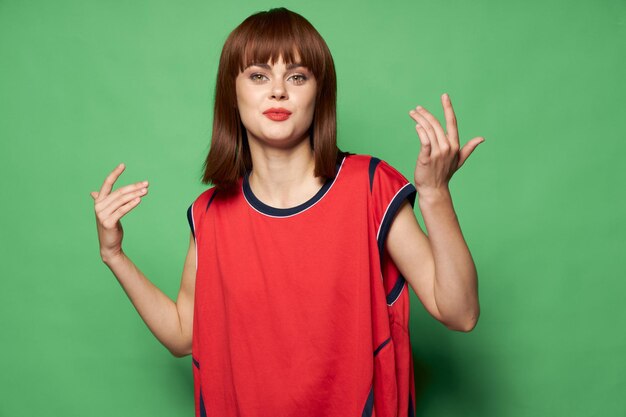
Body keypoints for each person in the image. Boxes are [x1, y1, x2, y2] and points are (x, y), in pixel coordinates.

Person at [90, 7, 482, 417]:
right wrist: (114, 255)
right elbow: (182, 335)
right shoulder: (210, 215)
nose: (278, 91)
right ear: (232, 93)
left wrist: (435, 194)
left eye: (297, 76)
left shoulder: (370, 188)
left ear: (319, 93)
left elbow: (460, 312)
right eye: (259, 75)